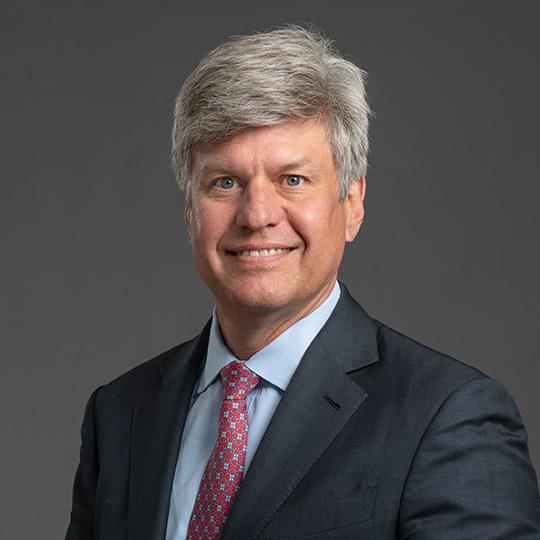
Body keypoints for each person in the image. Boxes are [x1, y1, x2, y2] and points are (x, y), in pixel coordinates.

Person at [66, 25, 540, 540]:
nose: (257, 214)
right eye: (225, 182)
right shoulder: (120, 413)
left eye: (293, 179)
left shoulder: (446, 416)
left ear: (353, 203)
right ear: (188, 211)